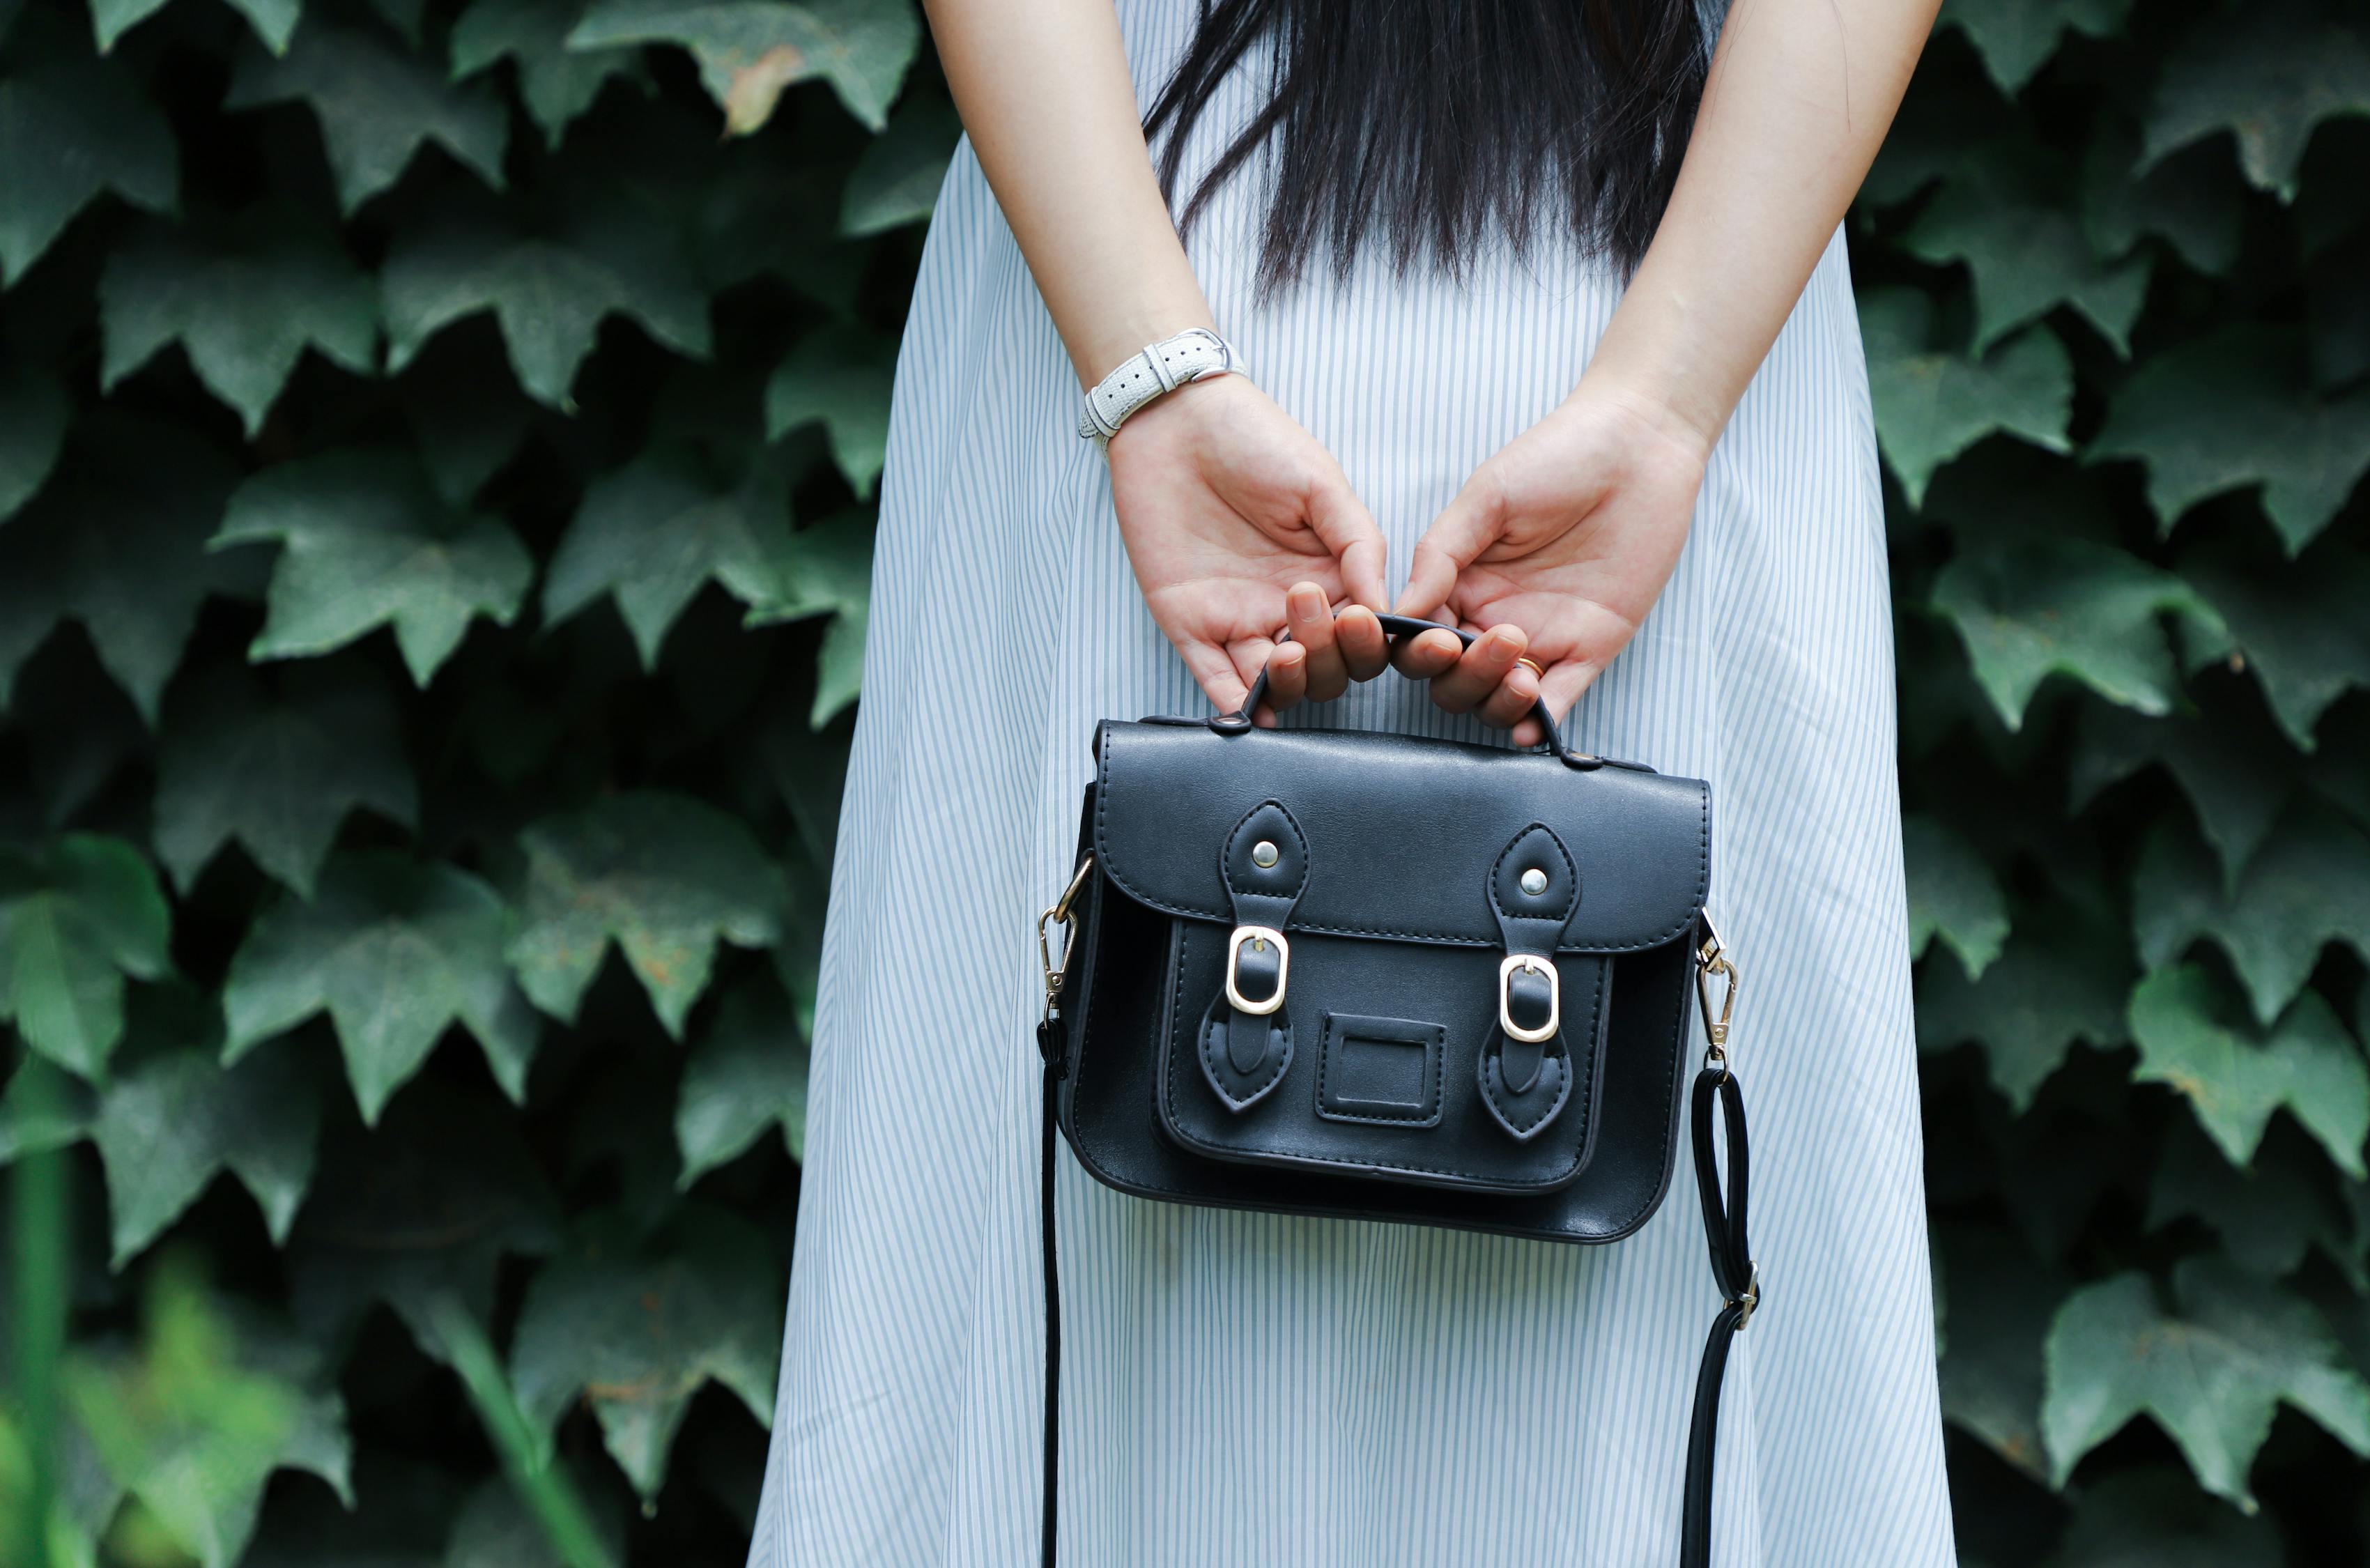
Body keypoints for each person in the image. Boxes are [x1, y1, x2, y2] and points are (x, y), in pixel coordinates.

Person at [747, 0, 1955, 1559]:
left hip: (1130, 246)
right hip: (1669, 263)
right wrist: (1665, 400)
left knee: (1025, 1345)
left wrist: (1154, 379)